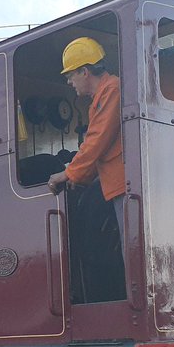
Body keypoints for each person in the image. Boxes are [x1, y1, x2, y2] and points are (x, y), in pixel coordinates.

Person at [47, 36, 124, 228]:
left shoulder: (112, 89)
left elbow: (98, 139)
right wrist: (80, 176)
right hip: (116, 184)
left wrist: (69, 173)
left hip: (123, 184)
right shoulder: (102, 96)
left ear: (85, 71)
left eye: (70, 76)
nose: (69, 82)